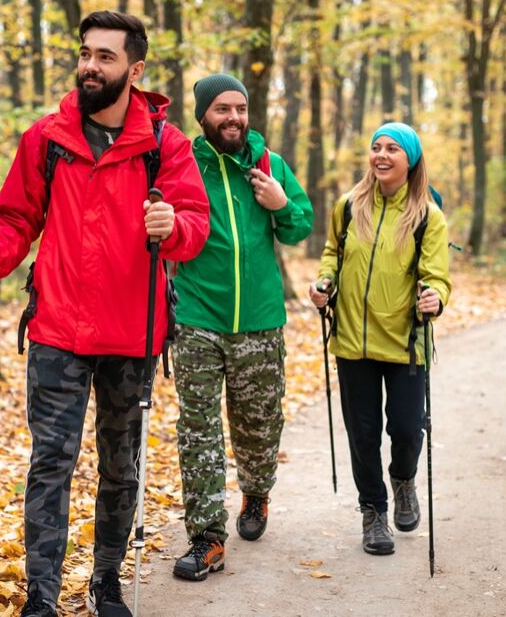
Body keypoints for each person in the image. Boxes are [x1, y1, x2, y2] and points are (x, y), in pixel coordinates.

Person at [0, 11, 209, 617]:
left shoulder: (164, 146)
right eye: (85, 53)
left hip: (134, 331)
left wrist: (172, 227)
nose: (90, 66)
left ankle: (106, 582)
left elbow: (195, 225)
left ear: (135, 68)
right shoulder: (47, 137)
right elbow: (16, 218)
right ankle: (41, 594)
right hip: (58, 330)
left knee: (121, 467)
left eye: (105, 57)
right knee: (51, 461)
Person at [170, 73, 313, 581]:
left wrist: (281, 202)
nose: (233, 117)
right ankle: (207, 538)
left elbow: (300, 226)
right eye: (222, 109)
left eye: (240, 109)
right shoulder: (182, 164)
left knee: (257, 427)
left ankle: (257, 491)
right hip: (195, 317)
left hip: (259, 321)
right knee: (198, 430)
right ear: (203, 115)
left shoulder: (266, 162)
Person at [308, 122, 451, 557]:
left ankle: (404, 478)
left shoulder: (428, 215)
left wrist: (435, 298)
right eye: (376, 147)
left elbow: (438, 277)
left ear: (410, 160)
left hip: (405, 342)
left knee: (407, 429)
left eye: (392, 148)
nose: (382, 155)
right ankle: (373, 512)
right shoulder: (349, 207)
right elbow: (332, 252)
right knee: (363, 434)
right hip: (352, 340)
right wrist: (324, 281)